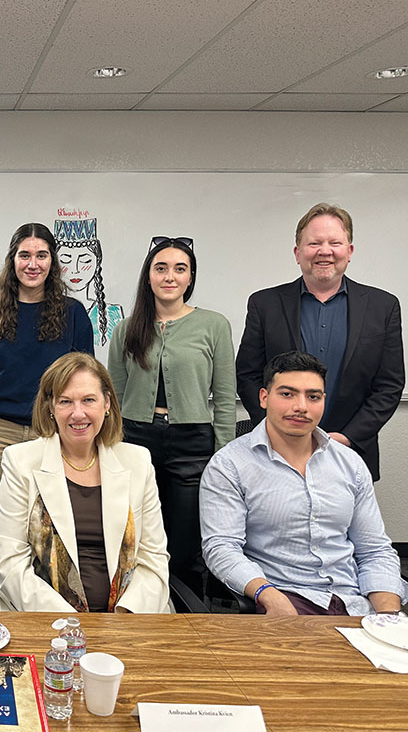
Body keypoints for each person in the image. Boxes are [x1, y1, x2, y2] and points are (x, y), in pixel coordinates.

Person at [201, 351, 407, 616]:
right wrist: (267, 595)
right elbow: (222, 548)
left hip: (354, 602)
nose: (301, 406)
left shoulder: (349, 463)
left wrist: (388, 618)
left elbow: (374, 550)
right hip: (285, 601)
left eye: (313, 396)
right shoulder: (230, 465)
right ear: (264, 397)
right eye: (287, 394)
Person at [0, 352, 170, 613]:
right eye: (65, 401)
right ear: (50, 407)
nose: (78, 413)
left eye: (89, 400)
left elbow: (153, 559)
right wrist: (71, 624)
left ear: (107, 403)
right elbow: (10, 563)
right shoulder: (20, 462)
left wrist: (124, 617)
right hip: (46, 622)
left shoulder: (137, 462)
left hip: (129, 622)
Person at [235, 203, 404, 481]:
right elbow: (248, 375)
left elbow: (389, 385)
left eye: (334, 243)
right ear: (298, 253)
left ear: (349, 252)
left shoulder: (382, 306)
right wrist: (280, 431)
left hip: (350, 453)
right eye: (314, 243)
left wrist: (347, 437)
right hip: (277, 454)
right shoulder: (264, 304)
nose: (324, 251)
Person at [107, 236, 234, 595]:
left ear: (191, 278)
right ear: (148, 276)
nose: (170, 276)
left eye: (180, 269)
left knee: (183, 546)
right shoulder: (126, 328)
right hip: (134, 439)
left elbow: (225, 398)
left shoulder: (214, 326)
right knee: (131, 537)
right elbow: (112, 397)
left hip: (192, 443)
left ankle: (185, 621)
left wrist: (223, 453)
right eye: (160, 268)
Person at [0, 223, 95, 505]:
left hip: (54, 431)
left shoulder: (73, 314)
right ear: (12, 261)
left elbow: (86, 381)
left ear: (52, 262)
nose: (33, 264)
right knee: (3, 517)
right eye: (24, 255)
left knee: (52, 518)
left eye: (41, 255)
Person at [53, 218, 124, 347]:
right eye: (65, 260)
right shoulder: (44, 311)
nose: (75, 269)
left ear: (97, 262)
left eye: (85, 260)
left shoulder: (113, 314)